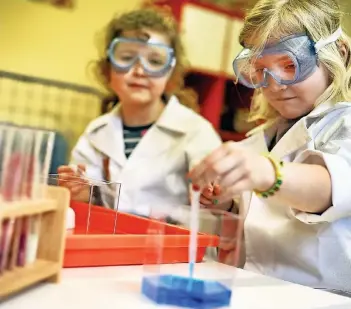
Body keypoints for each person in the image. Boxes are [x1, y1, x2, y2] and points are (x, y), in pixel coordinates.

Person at [188, 0, 351, 295]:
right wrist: (224, 201)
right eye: (260, 70)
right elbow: (261, 218)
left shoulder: (346, 124)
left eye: (291, 65)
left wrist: (266, 172)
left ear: (336, 55)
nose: (274, 85)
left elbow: (332, 188)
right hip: (257, 287)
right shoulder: (263, 138)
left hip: (322, 298)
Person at [57, 5, 223, 217]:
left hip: (167, 246)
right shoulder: (96, 133)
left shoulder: (196, 132)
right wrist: (80, 192)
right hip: (108, 242)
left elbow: (213, 200)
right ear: (108, 68)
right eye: (126, 58)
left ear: (170, 73)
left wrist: (211, 191)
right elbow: (88, 202)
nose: (140, 70)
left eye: (154, 61)